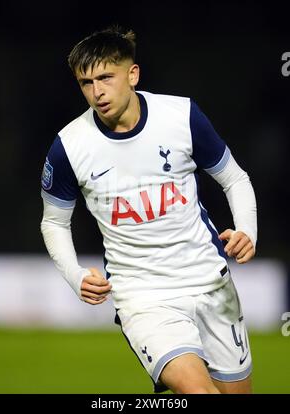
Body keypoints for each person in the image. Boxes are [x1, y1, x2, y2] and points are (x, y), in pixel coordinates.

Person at [40, 25, 257, 394]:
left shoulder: (181, 116)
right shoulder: (69, 146)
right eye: (86, 83)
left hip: (211, 283)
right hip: (143, 296)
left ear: (133, 74)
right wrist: (74, 274)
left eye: (106, 77)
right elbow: (54, 221)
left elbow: (234, 179)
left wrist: (247, 231)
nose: (97, 92)